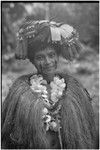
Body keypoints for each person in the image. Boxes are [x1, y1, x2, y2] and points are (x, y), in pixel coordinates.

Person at [2, 18, 97, 149]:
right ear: (32, 61)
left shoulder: (75, 90)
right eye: (40, 57)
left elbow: (88, 132)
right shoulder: (20, 95)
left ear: (57, 56)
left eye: (51, 55)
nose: (47, 62)